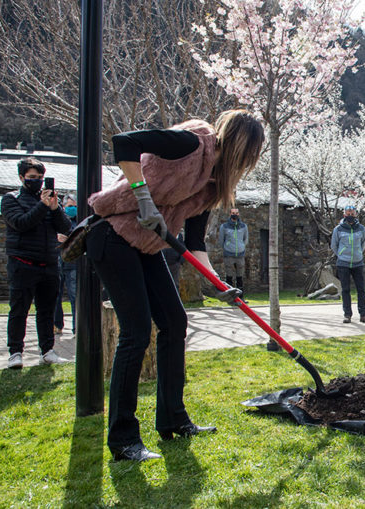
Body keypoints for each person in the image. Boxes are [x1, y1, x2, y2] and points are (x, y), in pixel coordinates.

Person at [85, 110, 264, 462]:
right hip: (112, 235)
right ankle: (123, 439)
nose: (247, 165)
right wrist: (143, 198)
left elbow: (195, 242)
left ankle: (173, 419)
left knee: (174, 322)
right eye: (249, 155)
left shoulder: (214, 184)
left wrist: (217, 284)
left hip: (147, 246)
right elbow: (125, 143)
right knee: (136, 332)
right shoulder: (190, 143)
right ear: (240, 145)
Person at [1, 158, 72, 369]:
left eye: (40, 177)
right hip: (22, 262)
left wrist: (55, 208)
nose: (37, 181)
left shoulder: (50, 202)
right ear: (21, 177)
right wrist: (42, 205)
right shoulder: (11, 199)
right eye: (32, 177)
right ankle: (15, 352)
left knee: (47, 310)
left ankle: (47, 350)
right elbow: (21, 223)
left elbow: (65, 227)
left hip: (49, 263)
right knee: (19, 309)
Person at [331, 205, 365, 324]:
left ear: (356, 215)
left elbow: (363, 243)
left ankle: (364, 315)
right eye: (348, 213)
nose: (350, 215)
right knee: (345, 290)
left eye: (352, 214)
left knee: (361, 289)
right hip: (343, 264)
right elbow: (334, 245)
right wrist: (341, 255)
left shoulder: (361, 228)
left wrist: (358, 254)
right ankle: (347, 315)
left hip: (358, 263)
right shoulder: (338, 229)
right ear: (344, 215)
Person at [54, 194, 78, 335]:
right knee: (55, 295)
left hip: (72, 263)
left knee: (74, 295)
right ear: (63, 207)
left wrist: (69, 239)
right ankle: (57, 325)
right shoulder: (57, 219)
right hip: (57, 261)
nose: (72, 209)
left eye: (75, 206)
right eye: (69, 206)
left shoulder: (79, 221)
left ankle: (76, 327)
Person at [218, 208, 248, 292]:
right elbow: (221, 240)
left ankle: (240, 296)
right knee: (229, 276)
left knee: (240, 277)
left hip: (240, 255)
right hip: (229, 255)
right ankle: (230, 296)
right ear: (230, 214)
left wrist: (242, 246)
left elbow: (246, 239)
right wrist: (227, 247)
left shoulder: (244, 226)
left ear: (239, 214)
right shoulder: (224, 227)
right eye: (233, 213)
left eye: (236, 213)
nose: (235, 214)